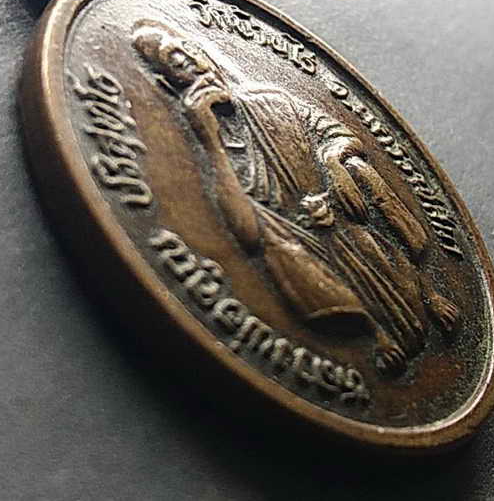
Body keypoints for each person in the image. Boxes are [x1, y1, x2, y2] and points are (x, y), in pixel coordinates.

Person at [132, 19, 460, 375]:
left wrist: (333, 165)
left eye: (189, 51)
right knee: (277, 243)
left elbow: (340, 136)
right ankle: (372, 331)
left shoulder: (273, 100)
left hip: (344, 212)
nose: (191, 63)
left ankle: (426, 289)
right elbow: (246, 232)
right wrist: (209, 137)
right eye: (175, 62)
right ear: (169, 81)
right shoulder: (209, 142)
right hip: (294, 238)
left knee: (359, 172)